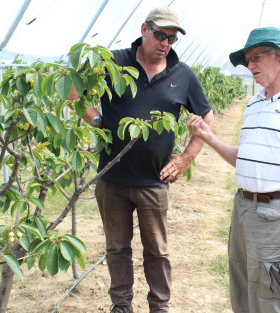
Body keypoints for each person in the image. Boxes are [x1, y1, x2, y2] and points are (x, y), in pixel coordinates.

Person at [68, 6, 214, 313]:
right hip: (112, 179)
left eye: (172, 39)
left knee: (157, 251)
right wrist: (97, 122)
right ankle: (121, 306)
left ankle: (159, 307)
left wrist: (187, 157)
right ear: (144, 30)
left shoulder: (183, 75)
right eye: (160, 35)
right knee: (117, 248)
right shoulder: (113, 62)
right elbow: (71, 91)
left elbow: (205, 116)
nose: (165, 43)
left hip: (154, 181)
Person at [187, 27, 280, 313]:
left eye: (256, 58)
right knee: (242, 288)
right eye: (247, 60)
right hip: (243, 209)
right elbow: (247, 160)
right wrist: (208, 137)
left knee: (273, 297)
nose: (250, 66)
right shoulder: (254, 104)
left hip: (277, 214)